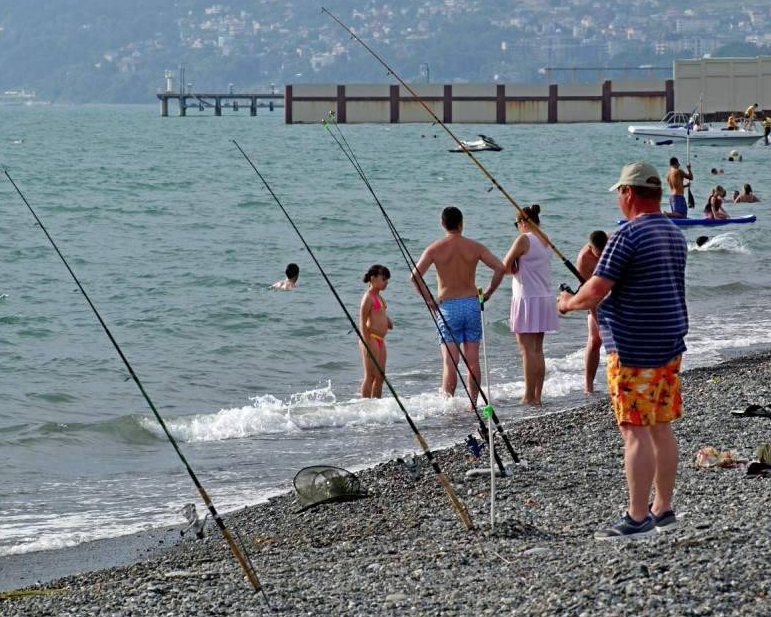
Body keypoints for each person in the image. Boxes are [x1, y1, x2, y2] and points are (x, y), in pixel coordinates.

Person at [558, 161, 688, 540]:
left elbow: (596, 290)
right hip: (668, 342)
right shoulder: (672, 231)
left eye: (619, 192)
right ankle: (662, 508)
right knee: (660, 426)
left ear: (629, 193)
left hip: (633, 347)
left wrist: (566, 302)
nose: (619, 199)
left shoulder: (627, 235)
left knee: (634, 431)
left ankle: (637, 518)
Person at [411, 206, 505, 404]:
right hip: (471, 304)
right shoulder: (475, 246)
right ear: (462, 224)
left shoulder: (435, 248)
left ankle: (449, 406)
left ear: (442, 224)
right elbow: (500, 268)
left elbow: (415, 277)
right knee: (473, 361)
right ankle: (473, 403)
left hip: (448, 308)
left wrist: (429, 299)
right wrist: (487, 292)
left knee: (450, 363)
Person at [502, 205, 559, 405]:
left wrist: (514, 268)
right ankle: (537, 396)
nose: (518, 227)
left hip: (527, 298)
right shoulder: (546, 239)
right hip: (544, 297)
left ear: (523, 222)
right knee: (537, 349)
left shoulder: (524, 239)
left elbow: (505, 265)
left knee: (526, 350)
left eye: (517, 223)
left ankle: (528, 396)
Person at [575, 230, 608, 393]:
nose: (601, 257)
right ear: (590, 248)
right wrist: (598, 322)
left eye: (604, 253)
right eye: (598, 254)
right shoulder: (584, 260)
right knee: (595, 339)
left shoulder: (614, 245)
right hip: (597, 297)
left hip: (618, 291)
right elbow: (590, 297)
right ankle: (589, 386)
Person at [359, 265, 393, 398]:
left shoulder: (380, 298)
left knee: (380, 376)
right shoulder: (368, 297)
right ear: (373, 279)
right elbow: (362, 322)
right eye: (384, 279)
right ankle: (365, 405)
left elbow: (381, 314)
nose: (386, 283)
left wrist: (387, 322)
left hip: (380, 340)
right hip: (370, 338)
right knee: (371, 375)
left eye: (387, 280)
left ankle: (377, 404)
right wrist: (366, 342)